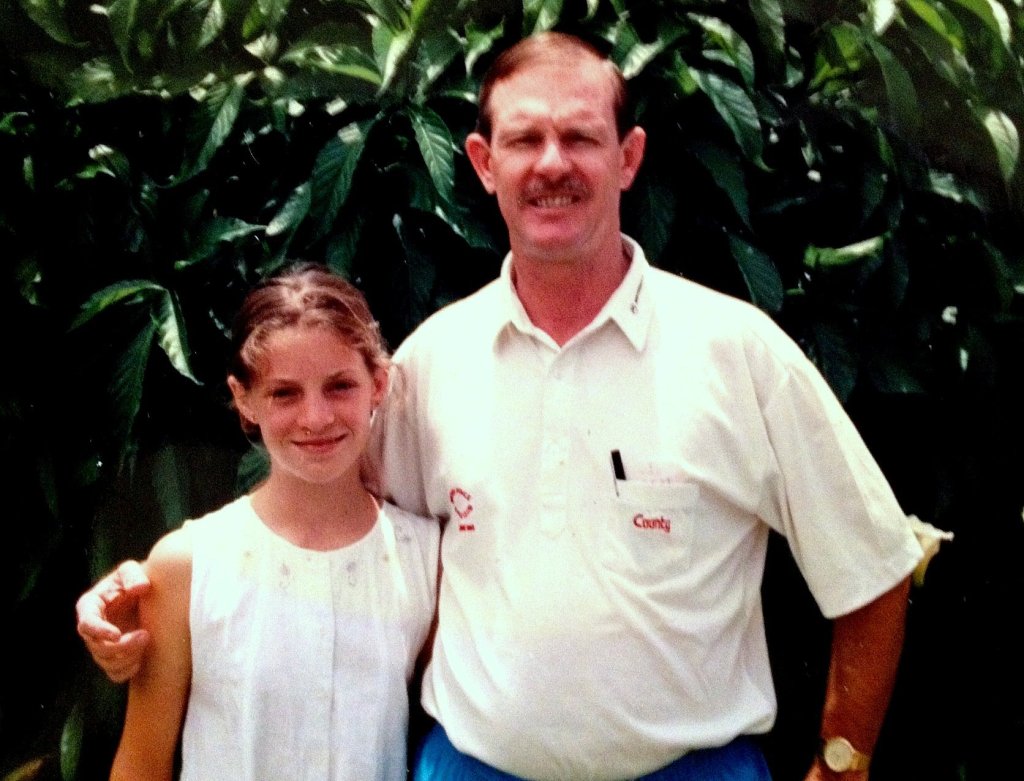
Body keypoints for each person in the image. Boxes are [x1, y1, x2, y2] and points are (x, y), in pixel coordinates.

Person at [80, 32, 924, 781]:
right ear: (483, 164)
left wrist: (842, 762)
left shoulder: (738, 352)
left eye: (580, 137)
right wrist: (143, 592)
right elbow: (323, 528)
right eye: (525, 139)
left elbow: (873, 563)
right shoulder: (431, 362)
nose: (552, 163)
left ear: (628, 158)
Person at [104, 265, 439, 781]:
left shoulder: (424, 558)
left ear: (378, 384)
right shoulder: (187, 566)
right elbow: (142, 763)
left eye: (340, 386)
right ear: (244, 399)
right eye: (285, 393)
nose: (316, 418)